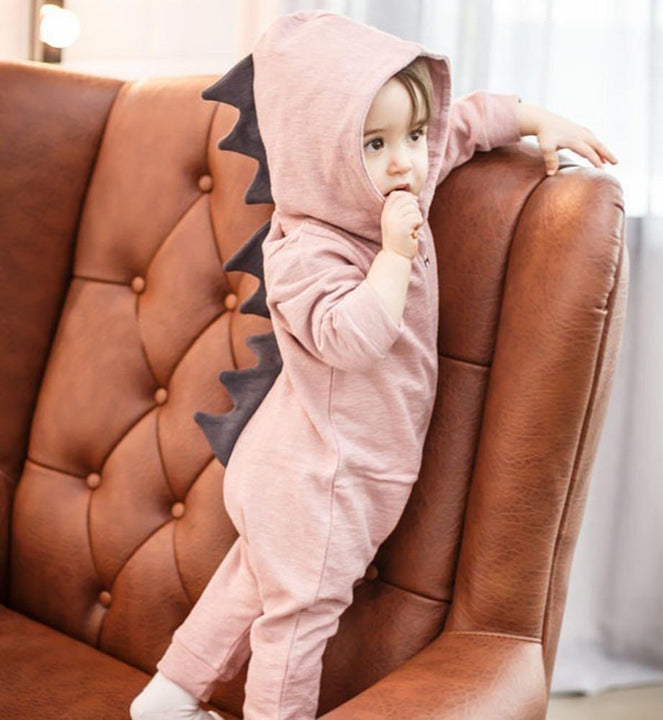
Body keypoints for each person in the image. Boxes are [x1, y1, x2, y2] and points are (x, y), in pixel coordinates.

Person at [130, 9, 617, 720]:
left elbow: (463, 124)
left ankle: (168, 698)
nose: (406, 162)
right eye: (376, 143)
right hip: (324, 479)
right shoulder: (305, 248)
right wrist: (391, 258)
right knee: (298, 622)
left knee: (250, 582)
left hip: (317, 466)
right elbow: (350, 339)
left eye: (413, 135)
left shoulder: (395, 185)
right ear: (319, 151)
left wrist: (536, 119)